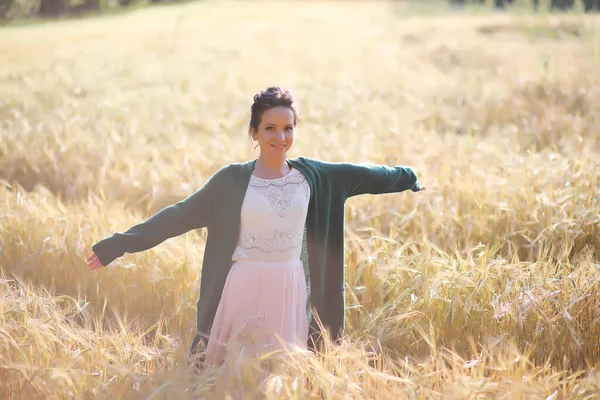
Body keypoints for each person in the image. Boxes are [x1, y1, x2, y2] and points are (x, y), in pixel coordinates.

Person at [86, 86, 426, 368]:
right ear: (254, 132)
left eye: (288, 128)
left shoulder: (316, 178)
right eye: (270, 128)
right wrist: (118, 244)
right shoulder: (233, 180)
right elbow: (178, 215)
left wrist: (409, 178)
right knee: (235, 373)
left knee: (282, 371)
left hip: (291, 288)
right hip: (245, 286)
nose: (281, 136)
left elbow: (369, 174)